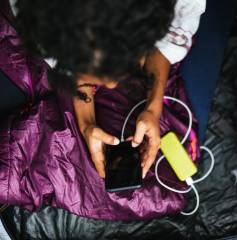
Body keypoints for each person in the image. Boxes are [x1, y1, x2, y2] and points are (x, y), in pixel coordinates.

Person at [14, 0, 206, 179]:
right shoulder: (38, 20)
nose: (112, 86)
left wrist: (154, 106)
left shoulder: (182, 4)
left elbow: (167, 42)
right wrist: (86, 124)